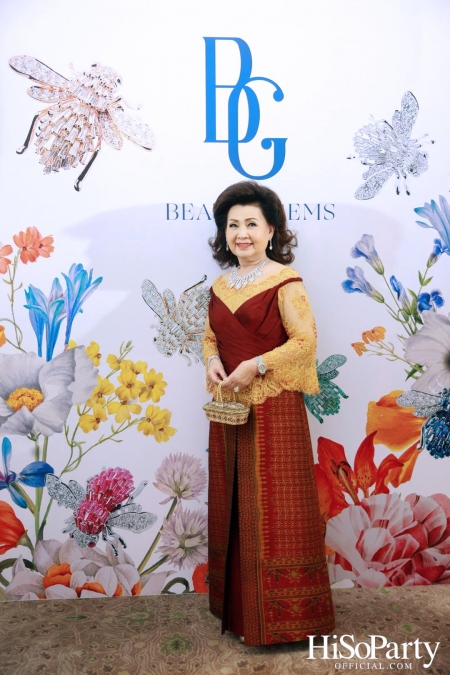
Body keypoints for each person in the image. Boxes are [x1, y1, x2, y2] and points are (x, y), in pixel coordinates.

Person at [202, 180, 335, 647]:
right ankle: (240, 615)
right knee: (233, 505)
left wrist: (255, 366)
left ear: (271, 229)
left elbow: (305, 341)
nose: (242, 233)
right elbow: (209, 338)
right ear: (224, 233)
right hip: (228, 408)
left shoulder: (286, 281)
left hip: (274, 410)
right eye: (233, 225)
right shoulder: (219, 285)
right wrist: (214, 362)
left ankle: (286, 622)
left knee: (274, 514)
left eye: (251, 224)